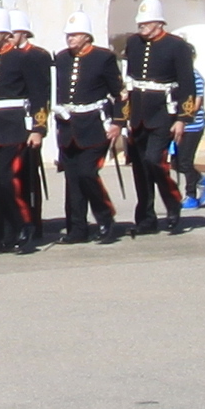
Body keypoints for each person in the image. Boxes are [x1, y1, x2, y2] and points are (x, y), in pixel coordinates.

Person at [118, 1, 199, 232]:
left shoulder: (177, 46)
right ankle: (145, 217)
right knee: (140, 167)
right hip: (138, 113)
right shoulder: (133, 42)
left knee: (155, 161)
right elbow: (130, 78)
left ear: (158, 23)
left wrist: (183, 118)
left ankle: (172, 202)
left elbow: (187, 85)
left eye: (145, 23)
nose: (141, 27)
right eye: (140, 23)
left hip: (163, 113)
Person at [0, 18, 51, 256]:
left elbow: (39, 95)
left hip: (15, 127)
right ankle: (1, 234)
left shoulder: (23, 58)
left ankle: (25, 226)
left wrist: (38, 129)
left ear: (7, 35)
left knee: (10, 181)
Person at [48, 22, 123, 244]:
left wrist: (118, 122)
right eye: (68, 35)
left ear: (87, 37)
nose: (70, 39)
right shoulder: (61, 59)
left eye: (75, 35)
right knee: (72, 180)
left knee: (87, 173)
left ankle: (105, 217)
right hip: (68, 127)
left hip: (94, 125)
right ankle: (77, 228)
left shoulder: (103, 58)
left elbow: (119, 93)